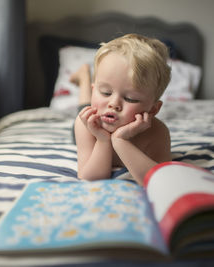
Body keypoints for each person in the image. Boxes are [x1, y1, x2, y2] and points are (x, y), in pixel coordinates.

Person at [71, 33, 172, 185]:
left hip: (102, 112)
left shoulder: (157, 132)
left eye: (130, 98)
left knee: (95, 103)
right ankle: (85, 77)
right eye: (106, 92)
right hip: (94, 118)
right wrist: (102, 140)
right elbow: (89, 177)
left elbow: (158, 180)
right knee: (84, 107)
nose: (113, 103)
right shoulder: (85, 124)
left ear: (152, 110)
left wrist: (120, 140)